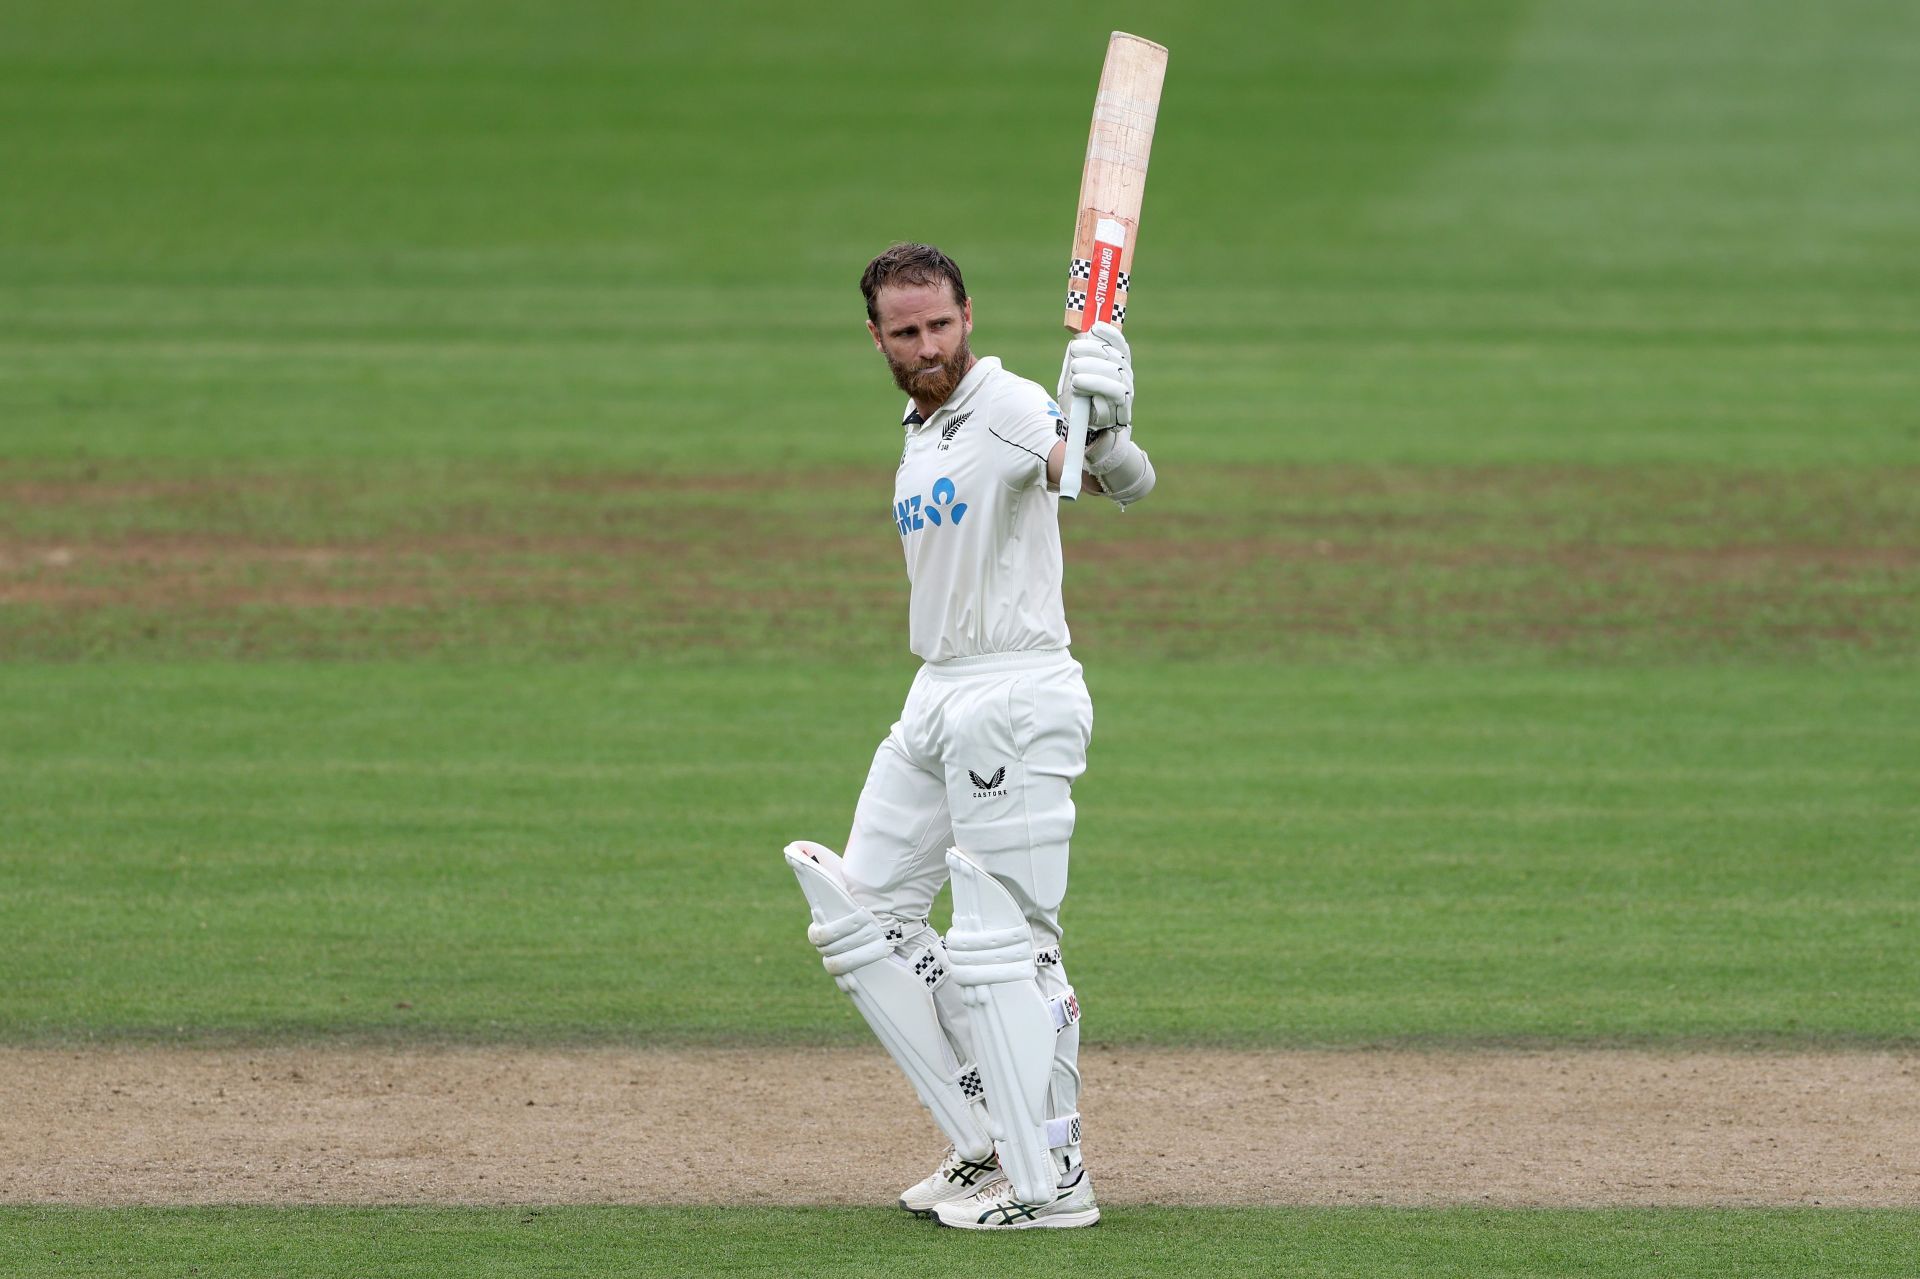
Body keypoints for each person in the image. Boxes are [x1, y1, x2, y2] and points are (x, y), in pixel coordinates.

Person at [782, 242, 1155, 1230]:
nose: (926, 346)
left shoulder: (1003, 400)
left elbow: (1108, 478)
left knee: (1013, 947)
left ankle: (1056, 1170)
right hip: (935, 692)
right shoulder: (921, 427)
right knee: (865, 916)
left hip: (1016, 690)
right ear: (876, 337)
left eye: (939, 325)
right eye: (905, 333)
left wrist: (1106, 424)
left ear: (968, 316)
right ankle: (992, 1140)